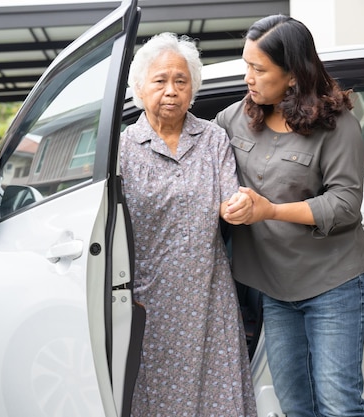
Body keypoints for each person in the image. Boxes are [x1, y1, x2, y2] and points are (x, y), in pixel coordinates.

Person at [216, 15, 364, 417]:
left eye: (258, 69)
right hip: (275, 289)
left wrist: (269, 210)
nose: (248, 78)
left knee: (338, 404)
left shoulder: (337, 125)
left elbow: (344, 205)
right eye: (246, 66)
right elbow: (199, 159)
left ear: (292, 76)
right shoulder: (234, 118)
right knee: (295, 404)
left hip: (334, 283)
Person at [119, 32, 257, 417]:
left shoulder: (213, 138)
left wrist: (239, 206)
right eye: (160, 80)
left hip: (208, 293)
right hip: (148, 298)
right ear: (140, 88)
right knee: (155, 398)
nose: (171, 90)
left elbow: (231, 198)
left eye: (181, 81)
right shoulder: (124, 149)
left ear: (193, 88)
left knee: (218, 393)